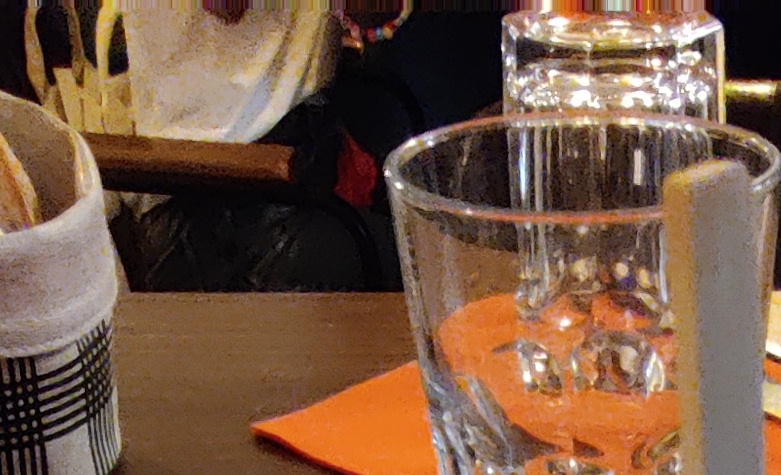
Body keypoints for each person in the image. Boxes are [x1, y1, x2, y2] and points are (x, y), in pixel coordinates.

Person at [116, 0, 498, 288]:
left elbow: (373, 14)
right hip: (216, 198)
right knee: (464, 285)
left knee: (474, 262)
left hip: (294, 177)